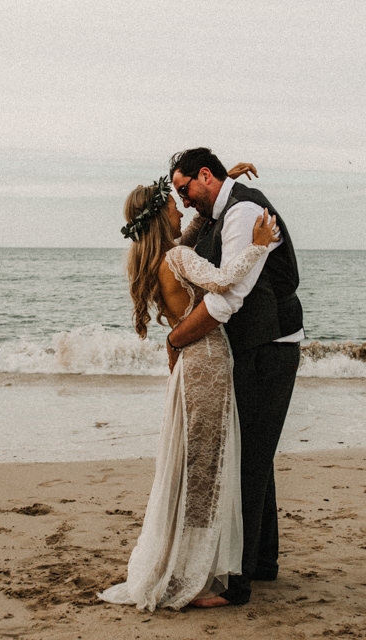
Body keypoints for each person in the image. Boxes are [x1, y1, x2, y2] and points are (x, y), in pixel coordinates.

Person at [98, 165, 280, 611]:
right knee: (205, 469)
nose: (183, 210)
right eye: (174, 205)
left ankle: (187, 564)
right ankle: (196, 577)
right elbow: (221, 281)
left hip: (189, 366)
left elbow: (196, 226)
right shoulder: (177, 259)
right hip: (209, 362)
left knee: (193, 464)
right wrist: (257, 247)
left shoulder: (160, 259)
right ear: (160, 218)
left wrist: (223, 180)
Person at [166, 147, 304, 607]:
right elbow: (199, 234)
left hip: (270, 346)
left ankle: (237, 584)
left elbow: (231, 297)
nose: (184, 201)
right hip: (257, 346)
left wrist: (177, 339)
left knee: (247, 458)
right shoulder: (225, 208)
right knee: (255, 451)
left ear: (205, 175)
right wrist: (227, 183)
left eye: (186, 190)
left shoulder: (243, 211)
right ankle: (263, 564)